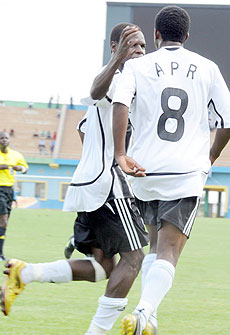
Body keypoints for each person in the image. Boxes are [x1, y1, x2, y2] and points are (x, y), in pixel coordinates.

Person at [0, 23, 151, 335]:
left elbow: (83, 127)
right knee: (134, 258)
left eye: (142, 47)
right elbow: (96, 90)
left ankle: (25, 275)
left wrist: (100, 153)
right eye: (131, 45)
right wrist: (110, 160)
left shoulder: (130, 85)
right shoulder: (115, 77)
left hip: (91, 184)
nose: (138, 51)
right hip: (108, 184)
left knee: (102, 268)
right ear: (115, 47)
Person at [112, 6, 230, 334]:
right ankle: (144, 310)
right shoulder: (208, 68)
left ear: (156, 35)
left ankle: (148, 322)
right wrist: (209, 158)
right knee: (169, 251)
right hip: (185, 173)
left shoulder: (137, 66)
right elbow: (229, 122)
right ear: (186, 36)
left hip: (143, 173)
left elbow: (120, 104)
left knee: (154, 247)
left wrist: (121, 153)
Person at [0, 132, 28, 261]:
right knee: (3, 220)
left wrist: (19, 168)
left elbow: (25, 169)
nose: (4, 140)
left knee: (4, 223)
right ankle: (0, 254)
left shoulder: (15, 155)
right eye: (2, 138)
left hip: (9, 191)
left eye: (6, 138)